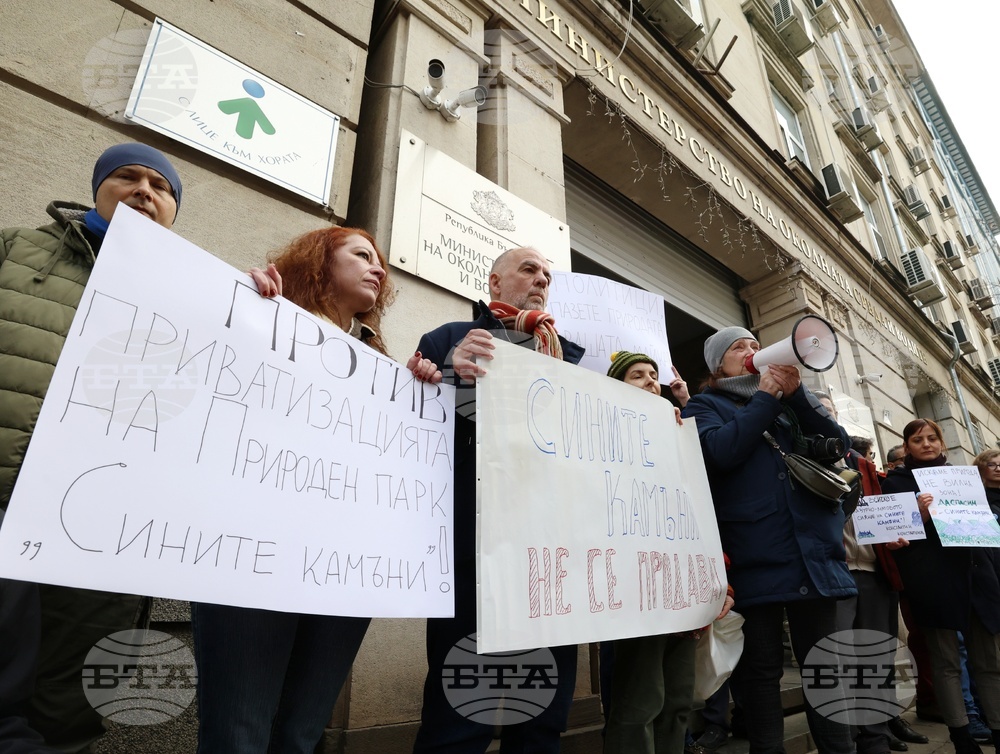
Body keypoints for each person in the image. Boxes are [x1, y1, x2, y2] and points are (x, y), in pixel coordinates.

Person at [190, 227, 439, 754]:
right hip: (252, 562)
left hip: (340, 577)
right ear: (319, 262)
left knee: (301, 734)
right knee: (238, 733)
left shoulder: (381, 366)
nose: (378, 269)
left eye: (382, 263)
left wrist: (417, 396)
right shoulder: (263, 314)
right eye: (361, 255)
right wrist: (235, 307)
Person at [0, 142, 181, 751]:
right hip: (7, 493)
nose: (143, 190)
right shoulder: (16, 249)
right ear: (98, 187)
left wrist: (263, 309)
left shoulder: (194, 296)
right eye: (127, 177)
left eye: (160, 186)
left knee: (71, 691)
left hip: (104, 524)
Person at [411, 247, 584, 753]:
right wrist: (447, 376)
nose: (541, 280)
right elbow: (420, 433)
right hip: (476, 560)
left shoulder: (571, 356)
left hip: (553, 564)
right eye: (529, 269)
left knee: (542, 722)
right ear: (494, 283)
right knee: (459, 720)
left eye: (547, 275)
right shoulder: (448, 340)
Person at [682, 326, 856, 754]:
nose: (751, 351)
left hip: (811, 554)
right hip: (753, 555)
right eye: (738, 347)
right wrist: (765, 397)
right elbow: (721, 452)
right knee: (759, 673)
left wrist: (797, 396)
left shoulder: (790, 404)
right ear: (716, 364)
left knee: (824, 670)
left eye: (756, 345)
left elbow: (841, 447)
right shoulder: (706, 405)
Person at [600, 351, 734, 754]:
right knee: (640, 701)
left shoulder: (680, 440)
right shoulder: (602, 436)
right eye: (636, 374)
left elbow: (700, 515)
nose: (648, 380)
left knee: (677, 702)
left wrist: (718, 580)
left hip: (680, 593)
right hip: (634, 591)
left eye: (652, 374)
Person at [882, 419, 1000, 754]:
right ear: (907, 447)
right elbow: (894, 537)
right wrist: (920, 514)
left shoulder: (961, 477)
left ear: (942, 442)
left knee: (990, 661)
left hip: (978, 576)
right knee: (946, 661)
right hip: (934, 580)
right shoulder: (897, 481)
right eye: (918, 439)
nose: (927, 444)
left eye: (933, 438)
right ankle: (961, 736)